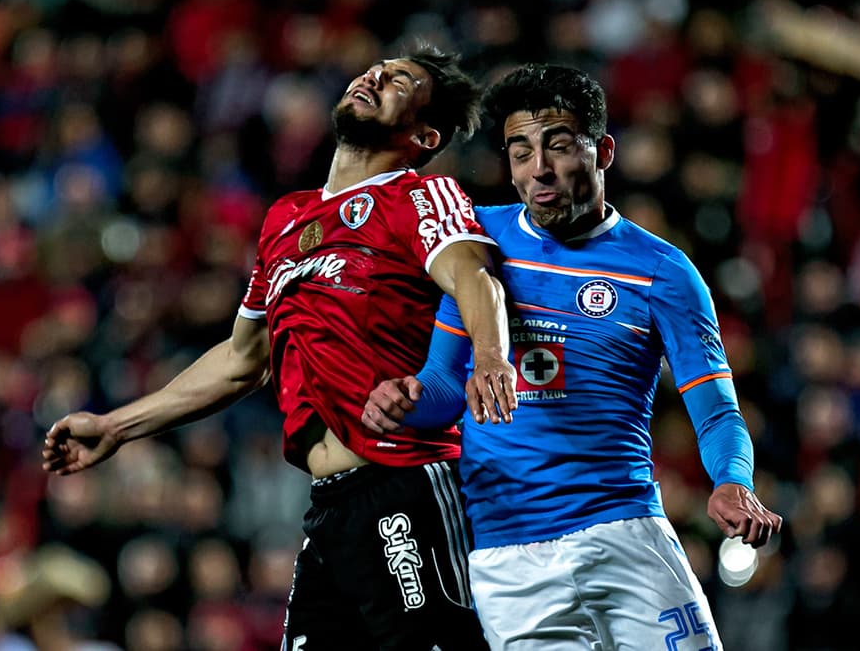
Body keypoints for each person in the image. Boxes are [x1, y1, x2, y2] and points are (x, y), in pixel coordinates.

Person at [42, 44, 518, 651]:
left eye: (402, 82)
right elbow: (244, 359)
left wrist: (490, 357)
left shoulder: (419, 197)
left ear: (425, 135)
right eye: (378, 67)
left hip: (406, 484)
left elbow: (473, 277)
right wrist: (117, 426)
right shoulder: (287, 220)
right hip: (328, 507)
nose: (375, 75)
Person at [363, 64, 782, 650]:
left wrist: (732, 481)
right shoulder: (478, 244)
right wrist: (407, 400)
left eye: (558, 146)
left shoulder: (662, 272)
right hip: (508, 556)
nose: (539, 169)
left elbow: (716, 413)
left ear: (602, 151)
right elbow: (445, 385)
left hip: (625, 530)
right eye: (519, 152)